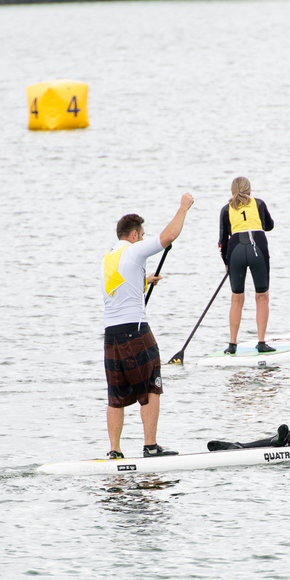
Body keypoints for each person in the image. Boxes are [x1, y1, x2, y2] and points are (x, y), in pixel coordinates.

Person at [102, 194, 194, 459]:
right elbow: (167, 237)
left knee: (116, 396)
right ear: (133, 235)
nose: (142, 239)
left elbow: (119, 286)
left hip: (112, 337)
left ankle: (115, 451)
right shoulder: (133, 249)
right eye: (141, 235)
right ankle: (151, 447)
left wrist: (144, 281)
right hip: (136, 334)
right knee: (151, 387)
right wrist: (183, 208)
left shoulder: (109, 256)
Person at [218, 176, 275, 354]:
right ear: (250, 191)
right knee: (262, 297)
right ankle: (262, 342)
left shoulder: (225, 210)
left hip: (235, 251)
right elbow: (269, 226)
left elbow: (222, 242)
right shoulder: (258, 204)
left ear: (232, 192)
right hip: (257, 246)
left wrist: (226, 263)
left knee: (236, 299)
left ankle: (232, 345)